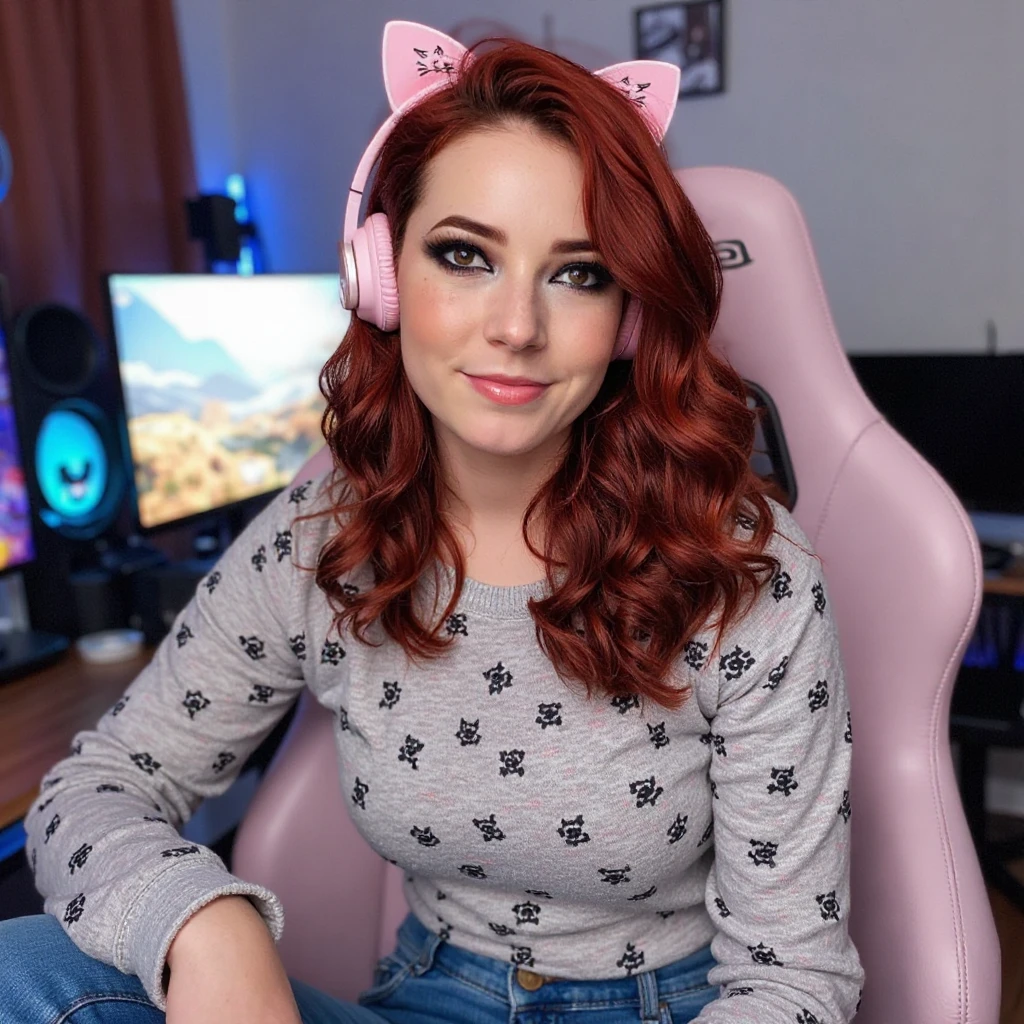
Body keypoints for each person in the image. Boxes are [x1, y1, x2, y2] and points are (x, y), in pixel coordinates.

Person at [0, 19, 864, 1024]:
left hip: (669, 1008)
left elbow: (791, 980)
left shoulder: (747, 569)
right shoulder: (322, 536)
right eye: (463, 254)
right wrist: (196, 918)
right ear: (381, 273)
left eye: (578, 272)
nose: (516, 326)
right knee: (25, 968)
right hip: (426, 999)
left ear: (628, 314)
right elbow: (92, 785)